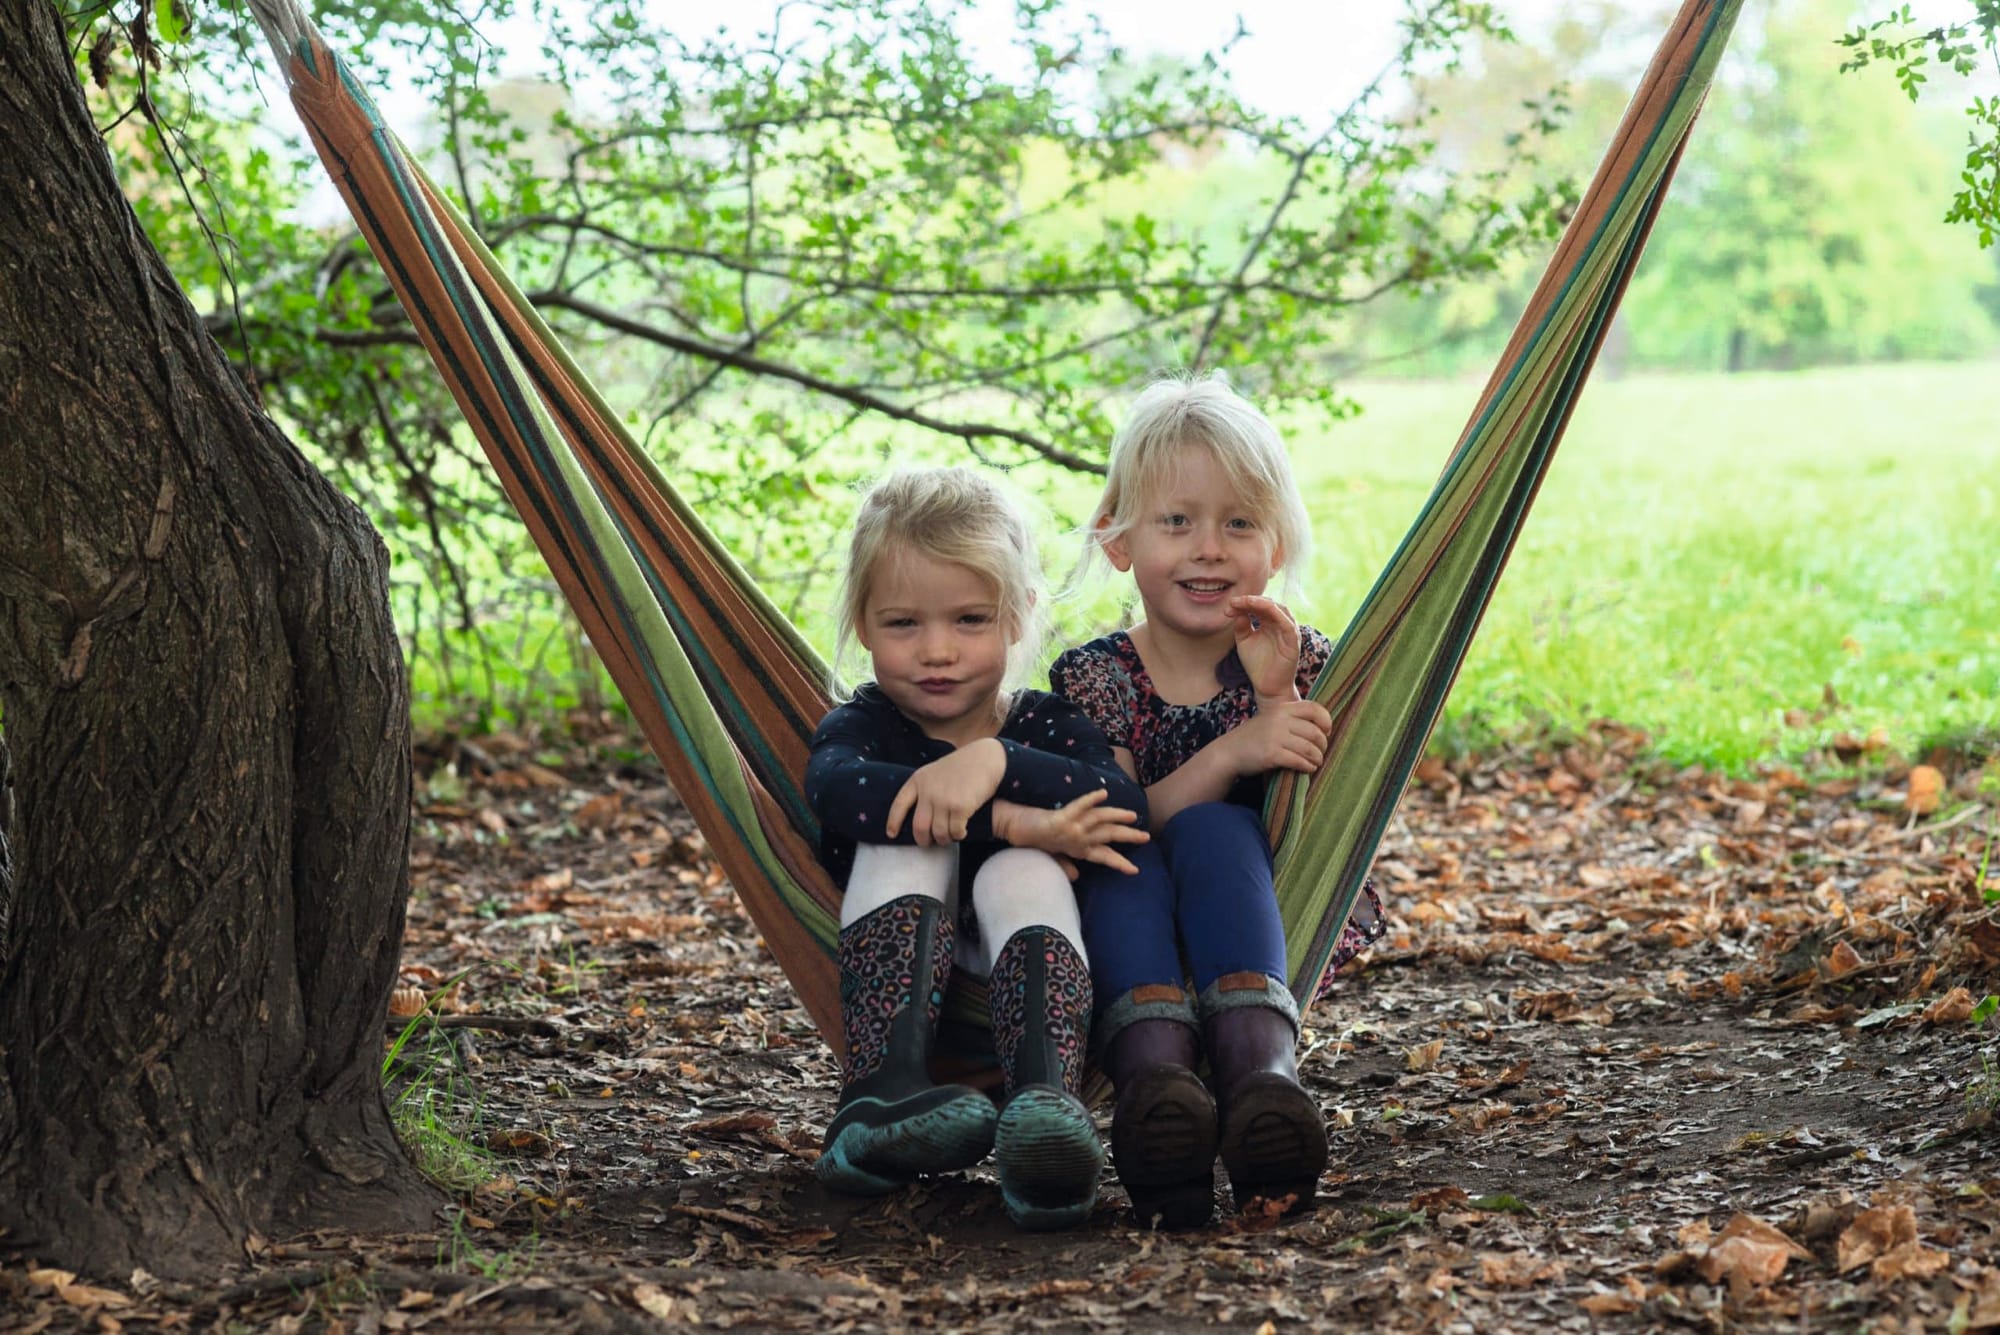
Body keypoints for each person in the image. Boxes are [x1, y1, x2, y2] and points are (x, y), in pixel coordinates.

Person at [1051, 373, 1386, 1227]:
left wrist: (1275, 700)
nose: (1208, 548)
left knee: (1214, 831)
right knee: (1127, 855)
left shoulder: (1300, 657)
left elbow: (1313, 788)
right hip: (1130, 918)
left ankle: (1263, 1085)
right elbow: (1118, 817)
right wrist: (1235, 745)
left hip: (1253, 906)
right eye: (1176, 522)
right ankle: (1157, 1092)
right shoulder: (1099, 676)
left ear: (1274, 545)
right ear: (1118, 540)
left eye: (1238, 523)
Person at [804, 467, 1150, 1230]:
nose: (937, 650)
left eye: (969, 619)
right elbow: (836, 792)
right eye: (902, 624)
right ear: (862, 622)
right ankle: (877, 1098)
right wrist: (1016, 821)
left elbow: (1123, 801)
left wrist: (996, 760)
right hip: (894, 947)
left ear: (1020, 615)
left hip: (1017, 964)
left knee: (1022, 871)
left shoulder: (1041, 725)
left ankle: (1045, 1111)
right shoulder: (864, 727)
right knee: (910, 824)